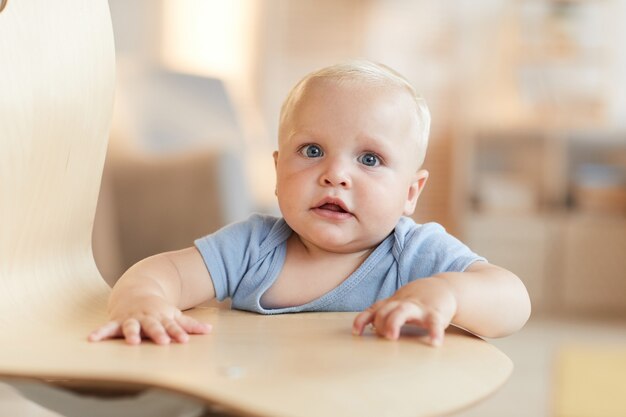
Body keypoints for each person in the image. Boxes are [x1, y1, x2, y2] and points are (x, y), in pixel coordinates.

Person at [89, 60, 531, 347]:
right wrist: (143, 301)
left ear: (410, 193)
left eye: (370, 159)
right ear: (279, 172)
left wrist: (447, 293)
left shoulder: (414, 255)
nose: (335, 174)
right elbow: (160, 273)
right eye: (313, 151)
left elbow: (513, 300)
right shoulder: (252, 248)